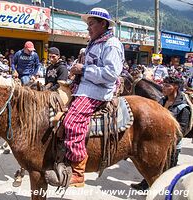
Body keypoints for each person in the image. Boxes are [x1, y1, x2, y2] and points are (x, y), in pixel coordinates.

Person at [63, 7, 124, 187]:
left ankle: (77, 169)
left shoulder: (111, 44)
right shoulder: (95, 42)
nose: (88, 28)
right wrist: (77, 68)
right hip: (84, 86)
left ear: (102, 24)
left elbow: (112, 73)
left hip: (97, 91)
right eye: (87, 24)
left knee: (71, 122)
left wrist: (84, 70)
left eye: (91, 24)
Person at [131, 76, 191, 191]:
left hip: (172, 145)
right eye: (163, 84)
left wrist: (165, 139)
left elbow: (182, 130)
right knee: (152, 165)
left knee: (168, 171)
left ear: (176, 88)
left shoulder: (183, 108)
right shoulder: (162, 101)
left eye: (168, 86)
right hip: (157, 142)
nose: (163, 87)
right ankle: (145, 184)